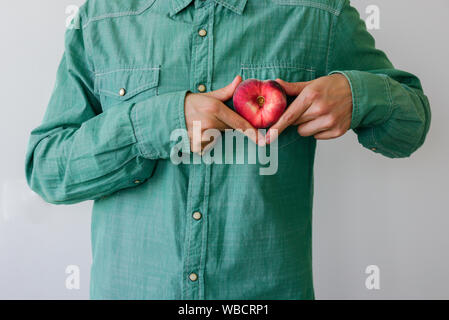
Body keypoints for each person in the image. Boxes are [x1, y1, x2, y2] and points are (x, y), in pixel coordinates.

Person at [25, 0, 431, 299]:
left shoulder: (318, 14)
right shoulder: (102, 17)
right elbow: (46, 169)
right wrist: (157, 123)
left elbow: (412, 125)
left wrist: (357, 95)